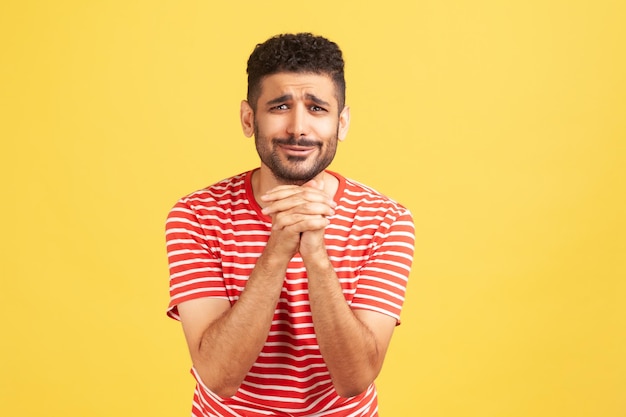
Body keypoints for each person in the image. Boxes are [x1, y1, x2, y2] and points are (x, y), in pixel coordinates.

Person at [165, 32, 415, 417]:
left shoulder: (386, 221)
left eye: (317, 109)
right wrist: (278, 249)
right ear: (249, 119)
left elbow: (355, 380)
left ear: (342, 123)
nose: (298, 128)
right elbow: (217, 376)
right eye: (280, 106)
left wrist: (316, 257)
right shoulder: (196, 215)